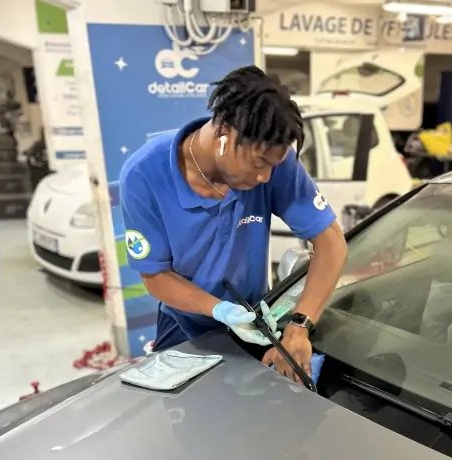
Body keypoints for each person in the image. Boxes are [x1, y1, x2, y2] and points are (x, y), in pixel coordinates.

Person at [119, 65, 348, 383]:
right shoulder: (145, 175)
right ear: (225, 135)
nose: (266, 177)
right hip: (184, 326)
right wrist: (219, 310)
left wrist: (299, 325)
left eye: (274, 165)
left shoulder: (274, 160)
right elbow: (156, 275)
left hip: (255, 325)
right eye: (259, 164)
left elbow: (331, 243)